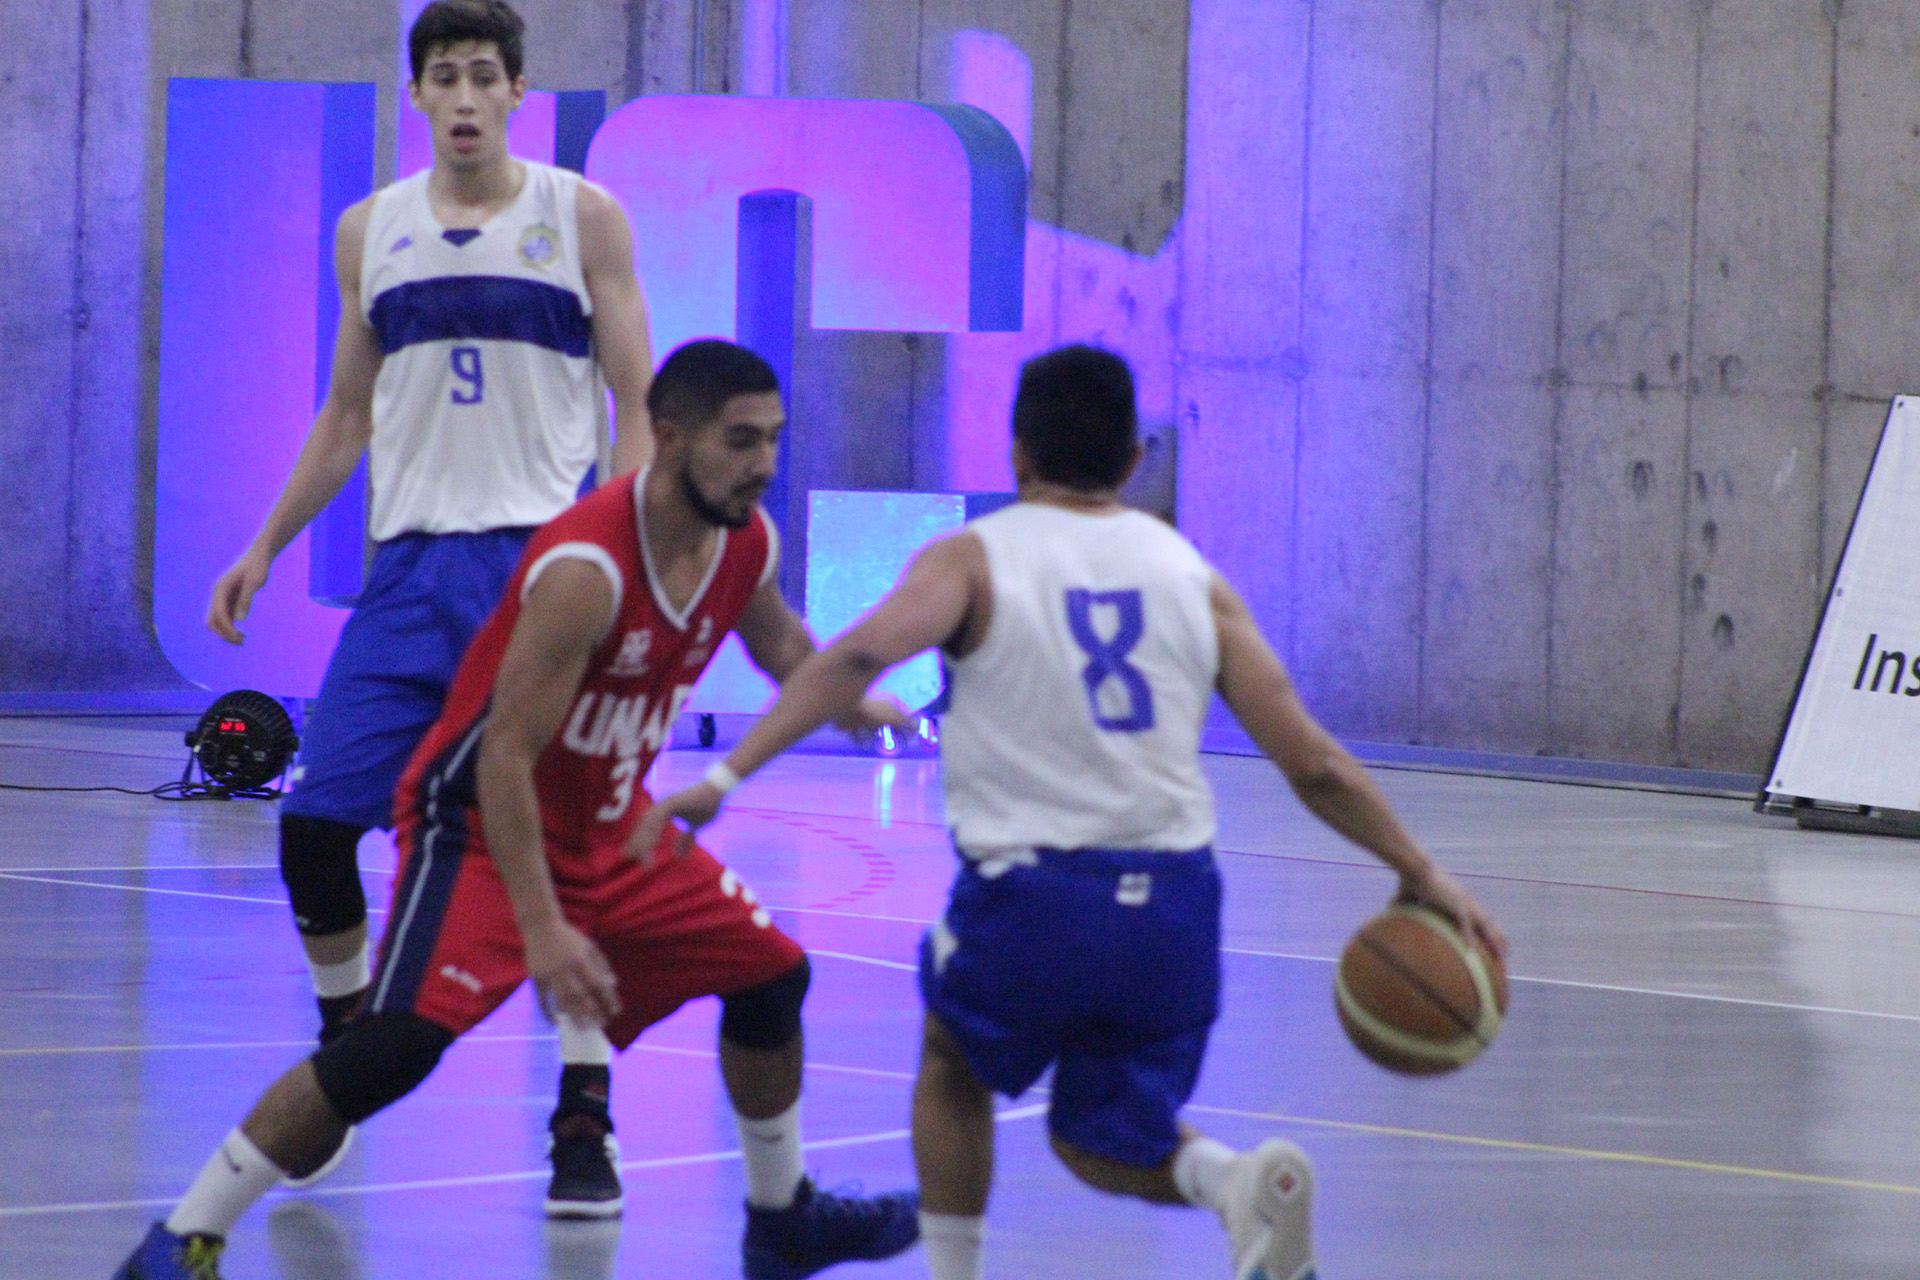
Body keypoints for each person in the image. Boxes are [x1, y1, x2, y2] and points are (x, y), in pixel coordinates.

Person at [638, 345, 1509, 1280]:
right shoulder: (1192, 576)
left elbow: (854, 659)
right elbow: (1316, 763)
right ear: (1132, 460)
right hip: (1176, 908)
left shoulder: (974, 559)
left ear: (1017, 453)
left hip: (1036, 897)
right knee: (1099, 1135)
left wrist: (724, 777)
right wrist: (1419, 870)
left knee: (952, 1063)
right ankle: (1234, 1183)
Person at [117, 341, 923, 1280]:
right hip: (478, 826)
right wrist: (544, 930)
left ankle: (782, 1220)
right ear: (668, 437)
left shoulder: (747, 542)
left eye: (774, 439)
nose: (764, 465)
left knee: (773, 977)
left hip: (610, 824)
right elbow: (504, 758)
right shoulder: (587, 566)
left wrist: (850, 701)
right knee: (394, 1047)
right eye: (742, 441)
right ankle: (182, 1239)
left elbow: (782, 644)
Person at [201, 0, 655, 1212]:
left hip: (541, 571)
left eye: (483, 76)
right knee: (314, 828)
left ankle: (584, 1114)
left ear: (516, 92)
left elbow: (637, 404)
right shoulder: (372, 232)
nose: (463, 96)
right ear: (417, 95)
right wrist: (262, 545)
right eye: (443, 75)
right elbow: (346, 413)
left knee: (565, 848)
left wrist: (616, 557)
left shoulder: (582, 217)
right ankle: (342, 1047)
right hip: (407, 575)